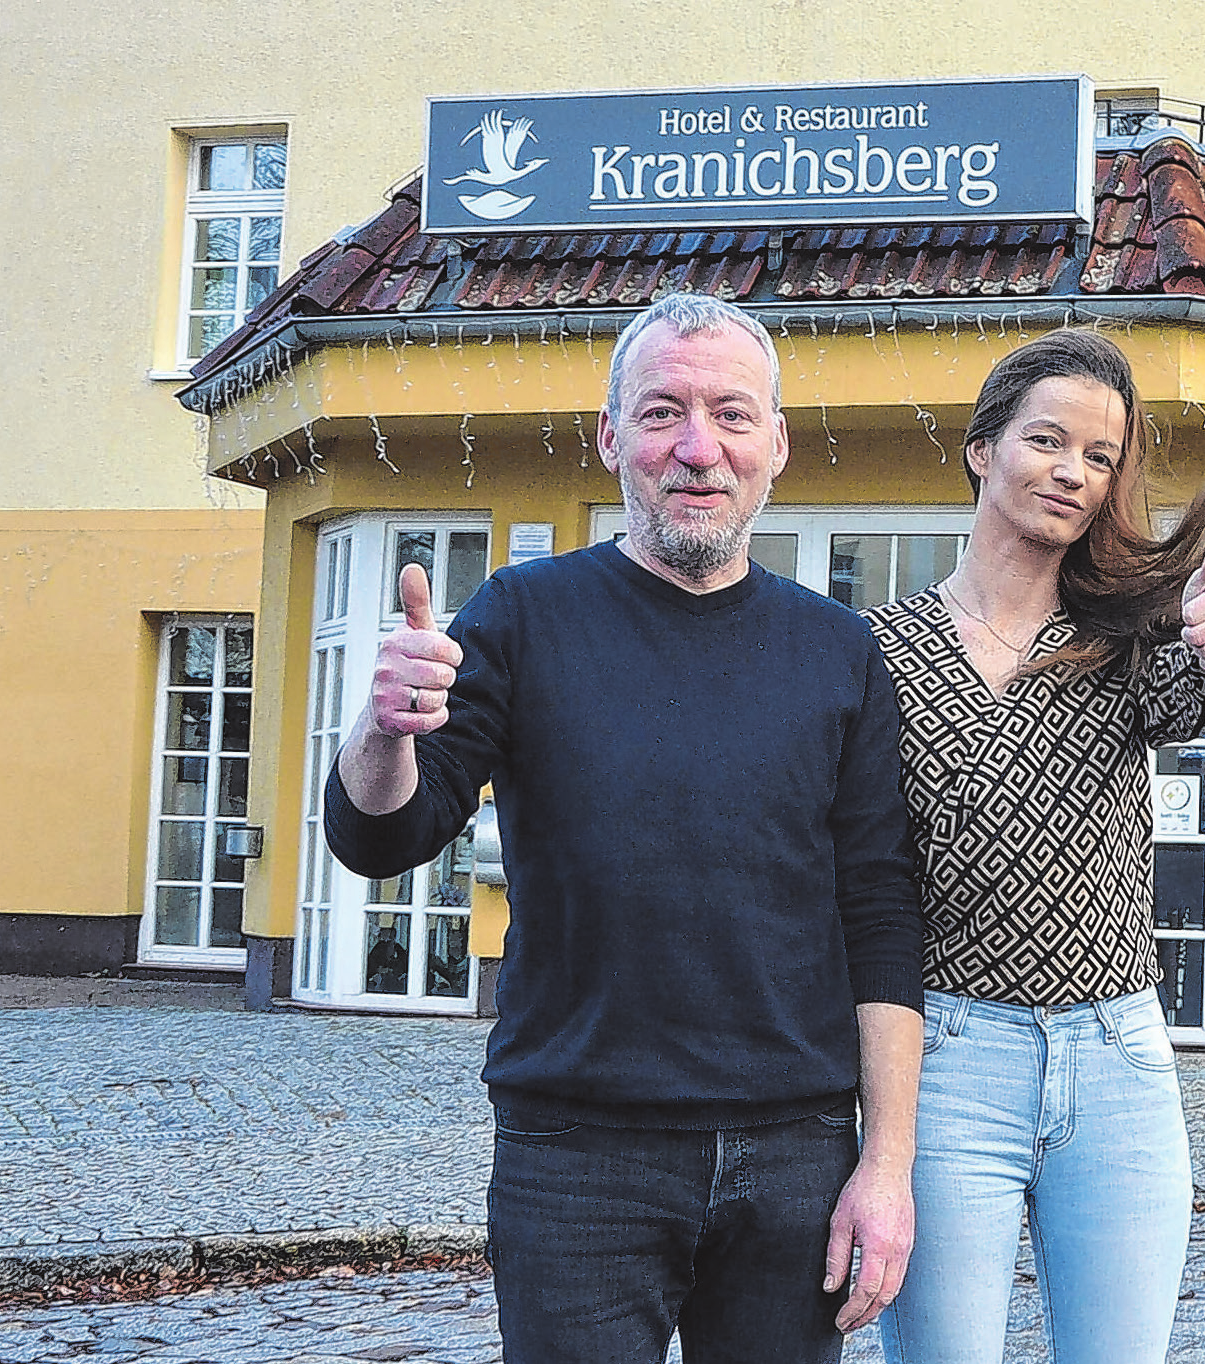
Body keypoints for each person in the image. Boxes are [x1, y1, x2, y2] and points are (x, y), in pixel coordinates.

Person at [321, 292, 925, 1364]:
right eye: (661, 412)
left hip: (795, 1153)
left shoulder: (837, 649)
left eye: (732, 415)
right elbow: (385, 834)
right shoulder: (519, 615)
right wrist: (384, 727)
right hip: (578, 1153)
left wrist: (885, 1166)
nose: (698, 449)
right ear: (609, 438)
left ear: (775, 443)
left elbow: (878, 910)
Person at [863, 329, 1205, 1364]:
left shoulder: (1121, 643)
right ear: (980, 446)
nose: (1072, 471)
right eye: (1047, 440)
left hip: (1117, 1064)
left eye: (1099, 458)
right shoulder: (876, 649)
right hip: (949, 1059)